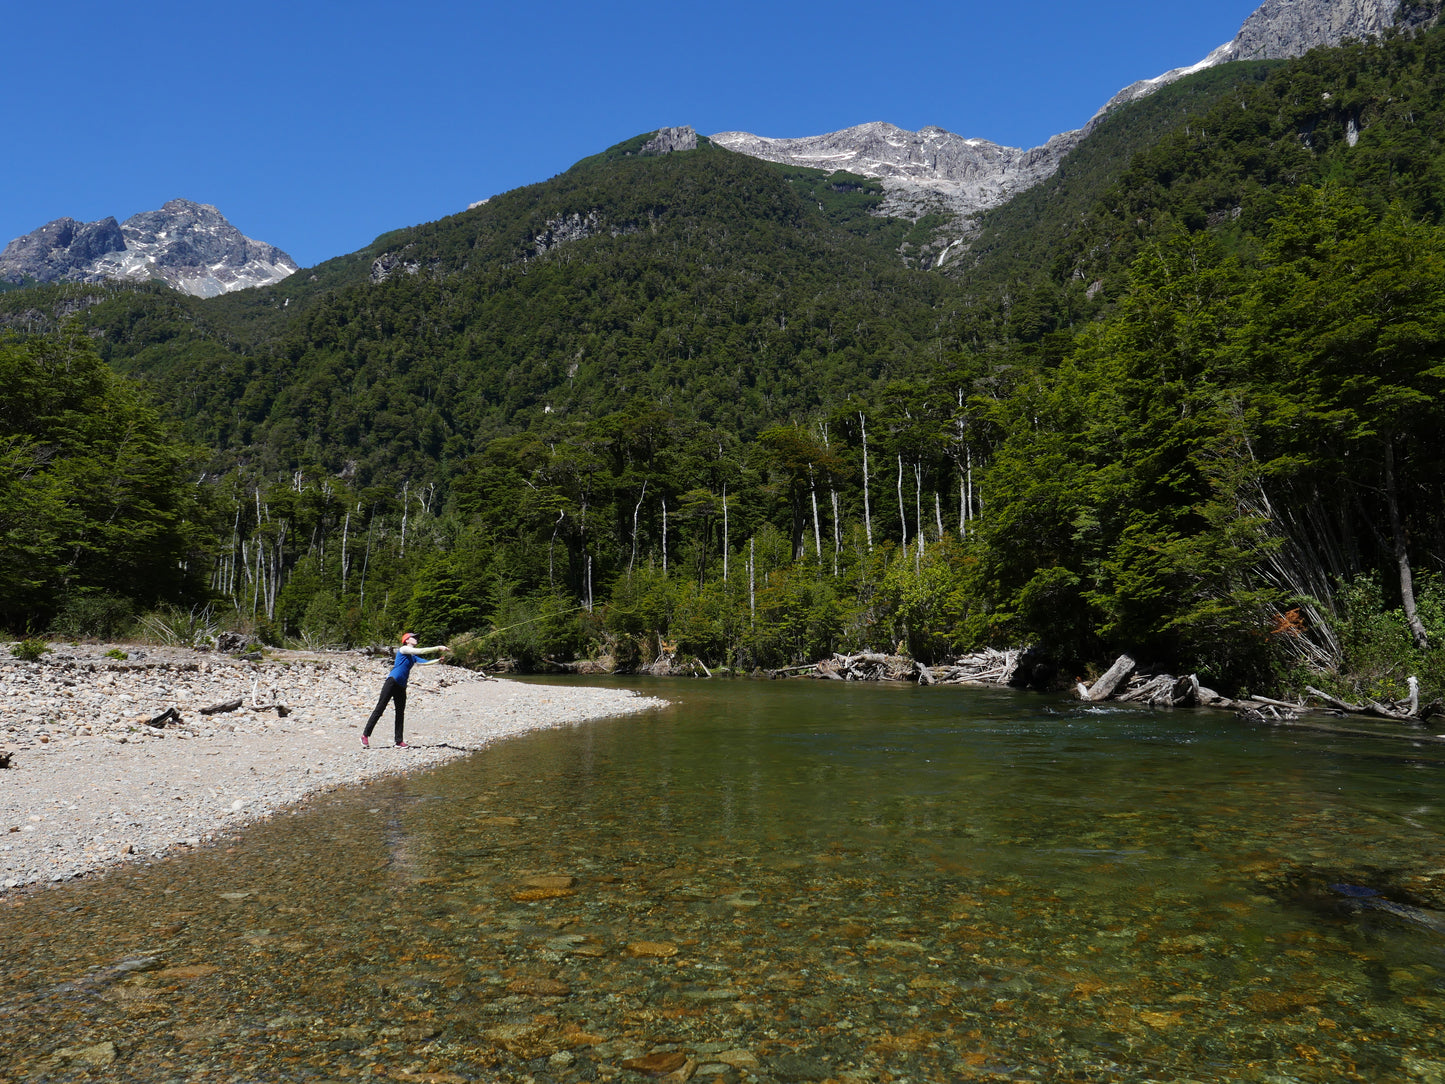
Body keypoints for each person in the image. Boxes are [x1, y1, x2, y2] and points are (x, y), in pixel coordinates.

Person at [361, 633, 448, 748]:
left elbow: (425, 662)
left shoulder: (412, 656)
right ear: (406, 640)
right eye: (413, 637)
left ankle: (398, 741)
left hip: (402, 685)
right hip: (392, 681)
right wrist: (438, 648)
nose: (416, 639)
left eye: (417, 637)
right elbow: (421, 651)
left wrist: (437, 660)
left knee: (400, 713)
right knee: (380, 708)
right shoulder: (403, 649)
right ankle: (365, 735)